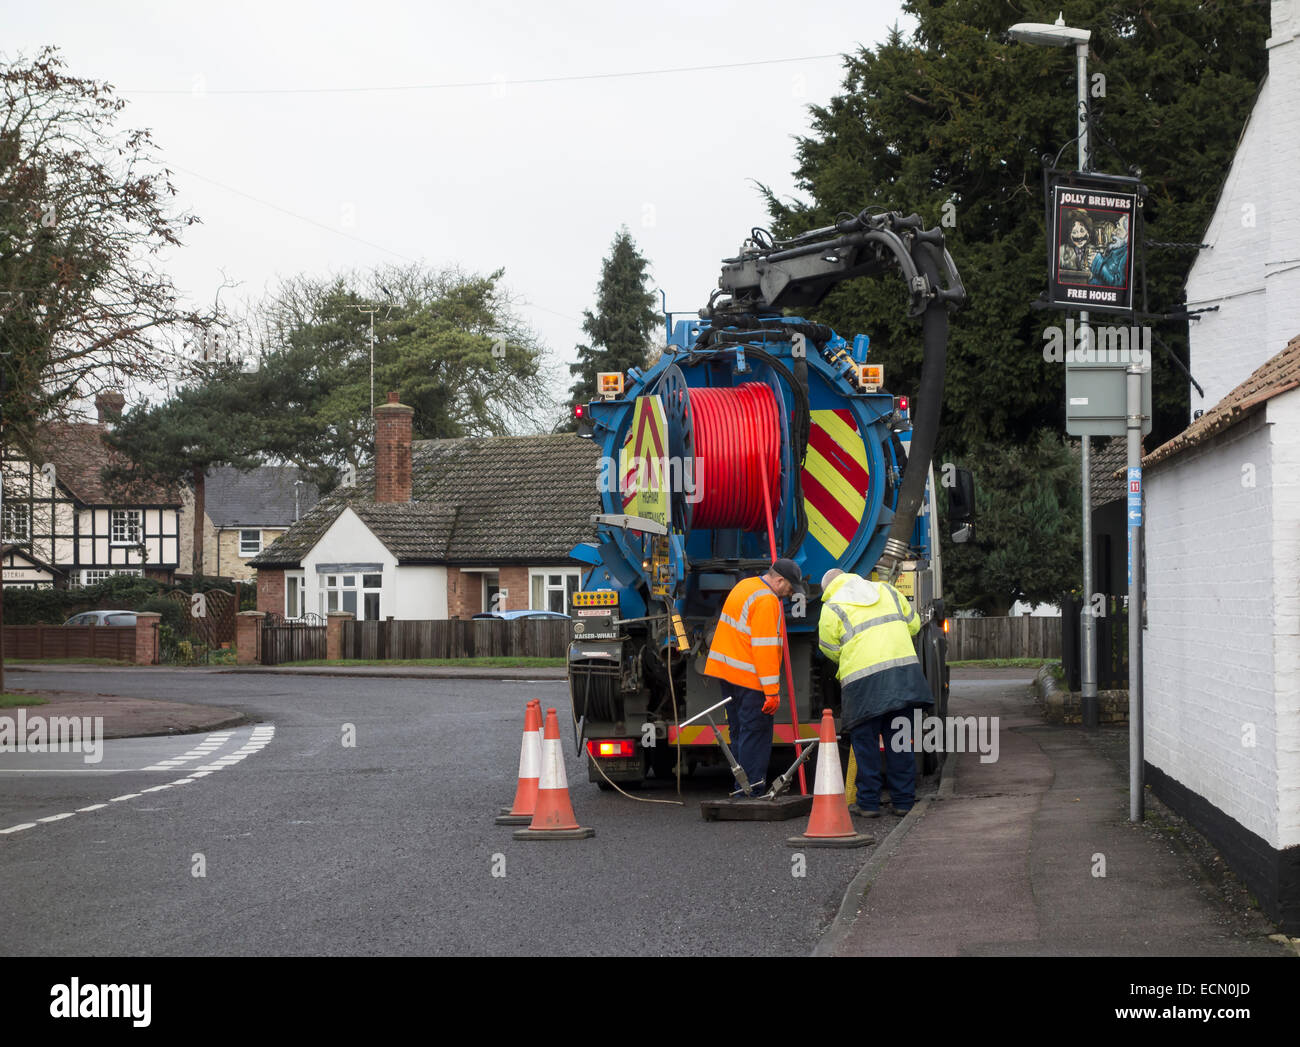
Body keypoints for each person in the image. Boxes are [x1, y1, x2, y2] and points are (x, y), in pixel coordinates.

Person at [817, 567, 933, 817]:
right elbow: (914, 625)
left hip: (862, 685)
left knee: (865, 746)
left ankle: (868, 804)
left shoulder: (832, 606)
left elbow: (829, 649)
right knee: (900, 743)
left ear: (828, 588)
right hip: (903, 678)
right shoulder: (888, 590)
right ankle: (903, 802)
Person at [703, 558, 803, 795]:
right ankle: (753, 790)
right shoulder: (767, 601)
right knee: (755, 735)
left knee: (739, 733)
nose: (789, 595)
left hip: (728, 674)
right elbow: (765, 648)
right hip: (750, 680)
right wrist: (771, 693)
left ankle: (742, 788)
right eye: (789, 588)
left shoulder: (745, 586)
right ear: (779, 580)